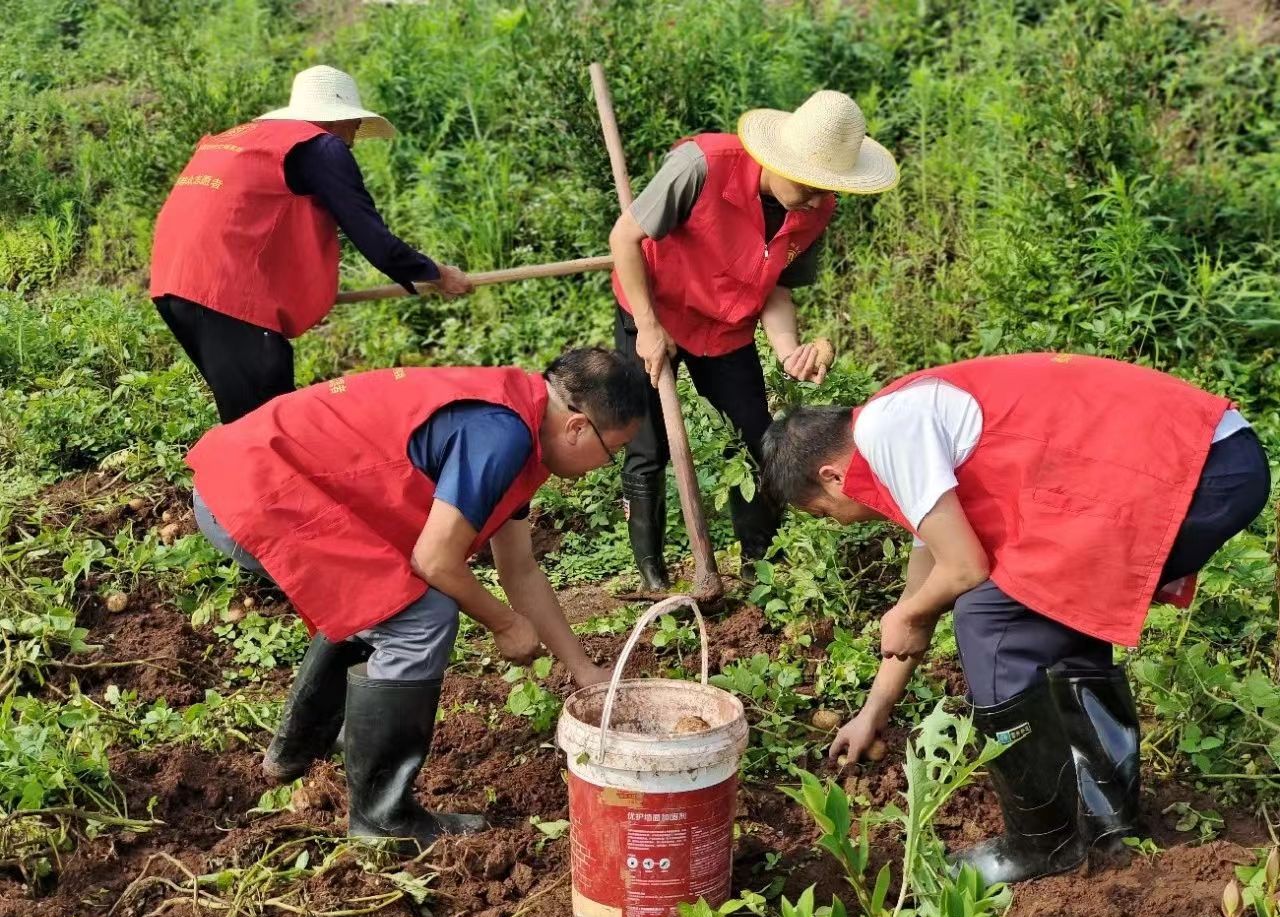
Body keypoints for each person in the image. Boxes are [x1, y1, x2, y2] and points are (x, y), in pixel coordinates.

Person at [760, 353, 1270, 885]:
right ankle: (1107, 825)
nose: (838, 523)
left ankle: (1041, 844)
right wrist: (873, 712)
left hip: (1194, 467)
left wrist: (908, 611)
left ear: (832, 476)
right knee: (1052, 611)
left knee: (991, 620)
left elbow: (962, 571)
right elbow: (922, 596)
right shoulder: (905, 437)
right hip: (1211, 455)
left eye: (823, 512)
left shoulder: (891, 431)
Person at [186, 348, 648, 847]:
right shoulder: (501, 433)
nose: (606, 466)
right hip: (255, 493)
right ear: (578, 427)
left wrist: (584, 671)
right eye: (613, 450)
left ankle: (297, 749)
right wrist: (503, 624)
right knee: (419, 617)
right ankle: (382, 821)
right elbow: (436, 561)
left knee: (383, 597)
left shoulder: (522, 421)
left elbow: (520, 569)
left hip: (258, 477)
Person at [608, 90, 899, 589]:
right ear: (777, 158)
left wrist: (788, 351)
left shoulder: (813, 209)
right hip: (654, 308)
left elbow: (777, 286)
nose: (817, 197)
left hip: (725, 327)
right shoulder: (700, 166)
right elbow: (624, 239)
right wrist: (650, 327)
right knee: (648, 442)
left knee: (756, 440)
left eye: (828, 188)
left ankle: (758, 565)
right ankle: (651, 575)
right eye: (809, 183)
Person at [150, 65, 473, 424]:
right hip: (223, 294)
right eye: (356, 124)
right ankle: (219, 482)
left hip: (175, 286)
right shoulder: (322, 147)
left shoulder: (248, 140)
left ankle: (228, 479)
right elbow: (374, 240)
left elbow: (244, 222)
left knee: (248, 423)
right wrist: (438, 274)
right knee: (265, 430)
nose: (355, 136)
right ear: (339, 119)